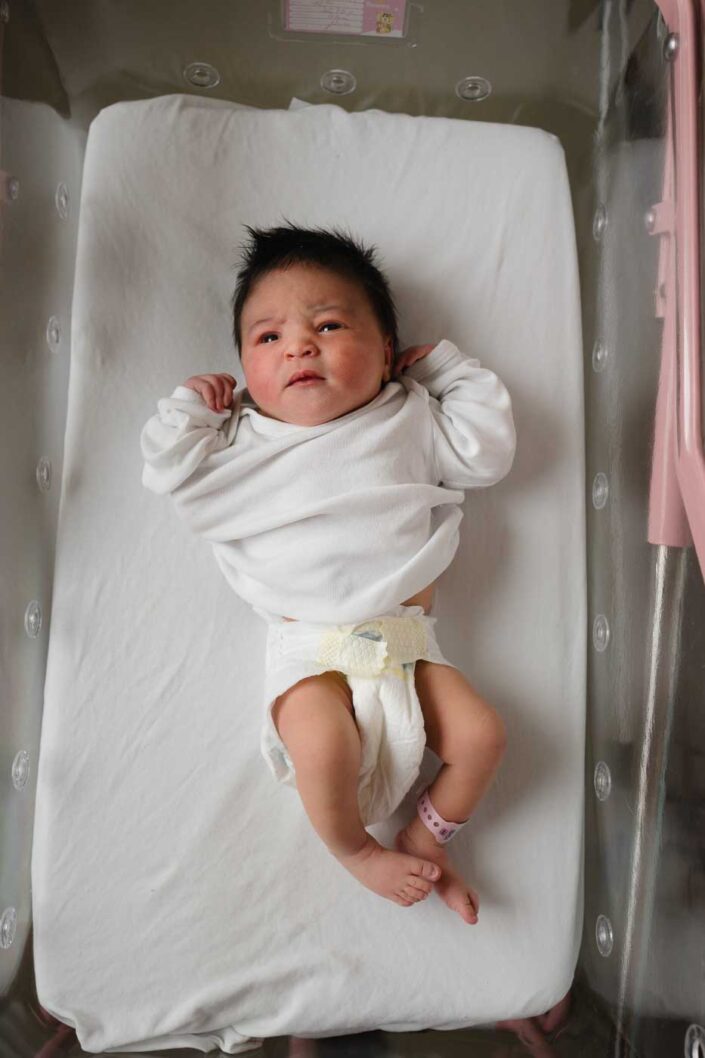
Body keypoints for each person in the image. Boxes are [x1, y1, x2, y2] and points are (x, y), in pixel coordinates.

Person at [140, 223, 516, 925]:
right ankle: (356, 852)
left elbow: (487, 451)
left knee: (482, 736)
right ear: (243, 368)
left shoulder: (408, 415)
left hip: (406, 646)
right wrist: (190, 409)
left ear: (386, 353)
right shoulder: (242, 440)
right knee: (321, 747)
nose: (299, 347)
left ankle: (425, 837)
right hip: (310, 653)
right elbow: (169, 473)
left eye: (328, 325)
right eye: (268, 337)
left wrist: (447, 373)